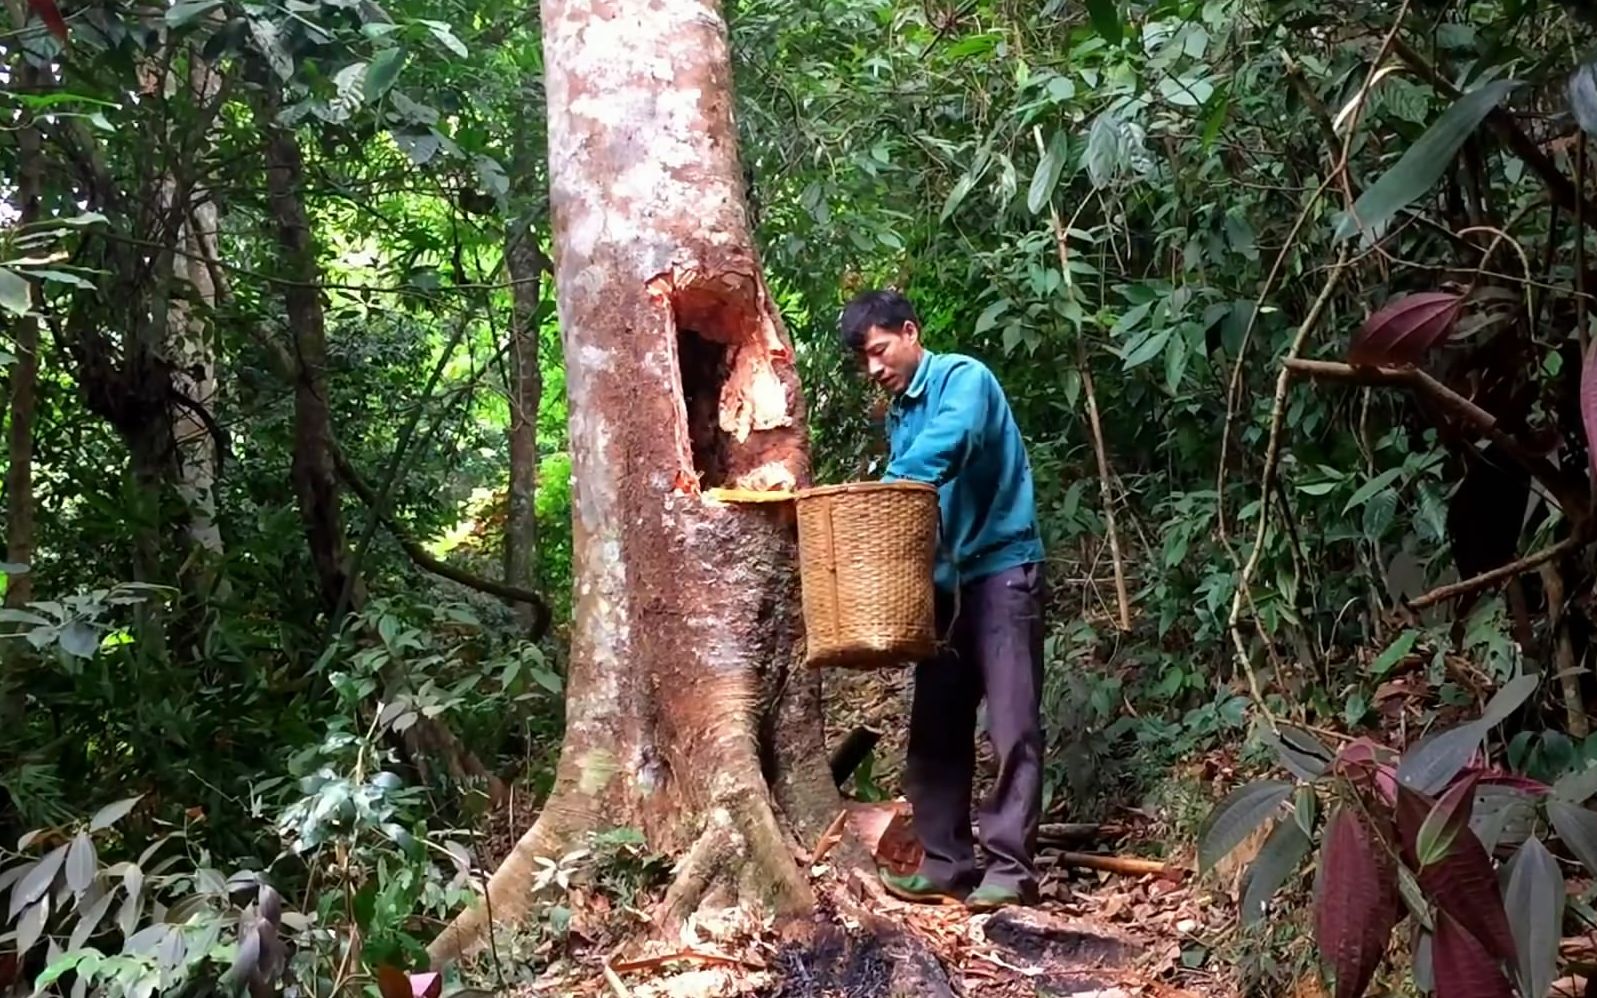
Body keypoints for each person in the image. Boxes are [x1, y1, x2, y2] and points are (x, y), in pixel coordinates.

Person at [839, 288, 1047, 911]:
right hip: (947, 586)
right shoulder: (900, 412)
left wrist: (879, 491)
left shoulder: (964, 379)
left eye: (880, 351)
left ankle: (1011, 869)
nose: (874, 369)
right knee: (935, 727)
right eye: (865, 361)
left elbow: (947, 449)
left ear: (909, 332)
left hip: (1004, 570)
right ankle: (946, 862)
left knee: (1012, 725)